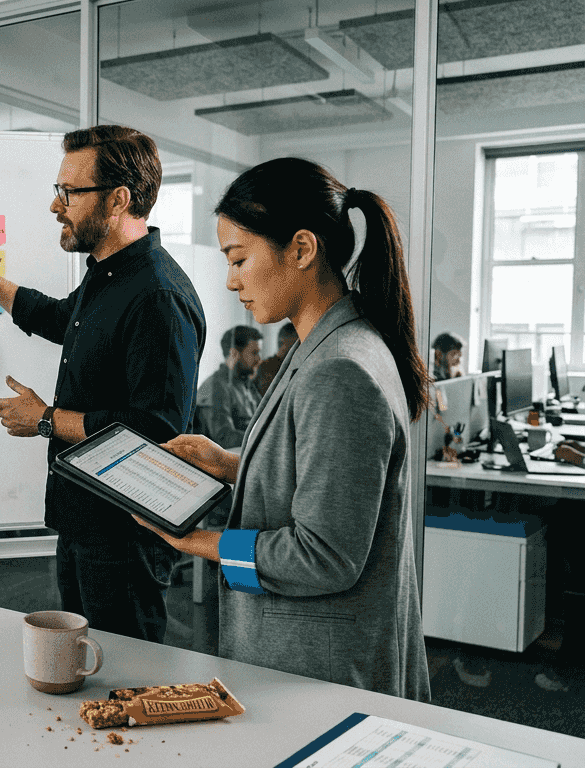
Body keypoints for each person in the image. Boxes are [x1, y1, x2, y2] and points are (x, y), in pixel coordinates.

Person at [133, 157, 432, 700]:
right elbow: (318, 475)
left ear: (301, 249)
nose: (230, 281)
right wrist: (227, 462)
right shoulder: (324, 344)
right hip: (306, 662)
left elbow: (325, 556)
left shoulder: (340, 368)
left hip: (322, 674)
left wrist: (199, 542)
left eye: (239, 258)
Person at [0, 125, 206, 643]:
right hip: (83, 519)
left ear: (118, 200)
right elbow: (61, 318)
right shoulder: (109, 273)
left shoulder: (157, 298)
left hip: (125, 535)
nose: (57, 206)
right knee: (83, 667)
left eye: (69, 193)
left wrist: (47, 421)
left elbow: (154, 429)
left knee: (126, 675)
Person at [195, 325, 262, 450]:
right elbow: (224, 437)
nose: (259, 359)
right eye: (254, 353)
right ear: (234, 353)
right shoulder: (216, 386)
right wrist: (263, 439)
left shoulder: (246, 384)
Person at [253, 321, 298, 397]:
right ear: (282, 342)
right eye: (295, 344)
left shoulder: (294, 366)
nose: (298, 348)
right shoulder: (266, 368)